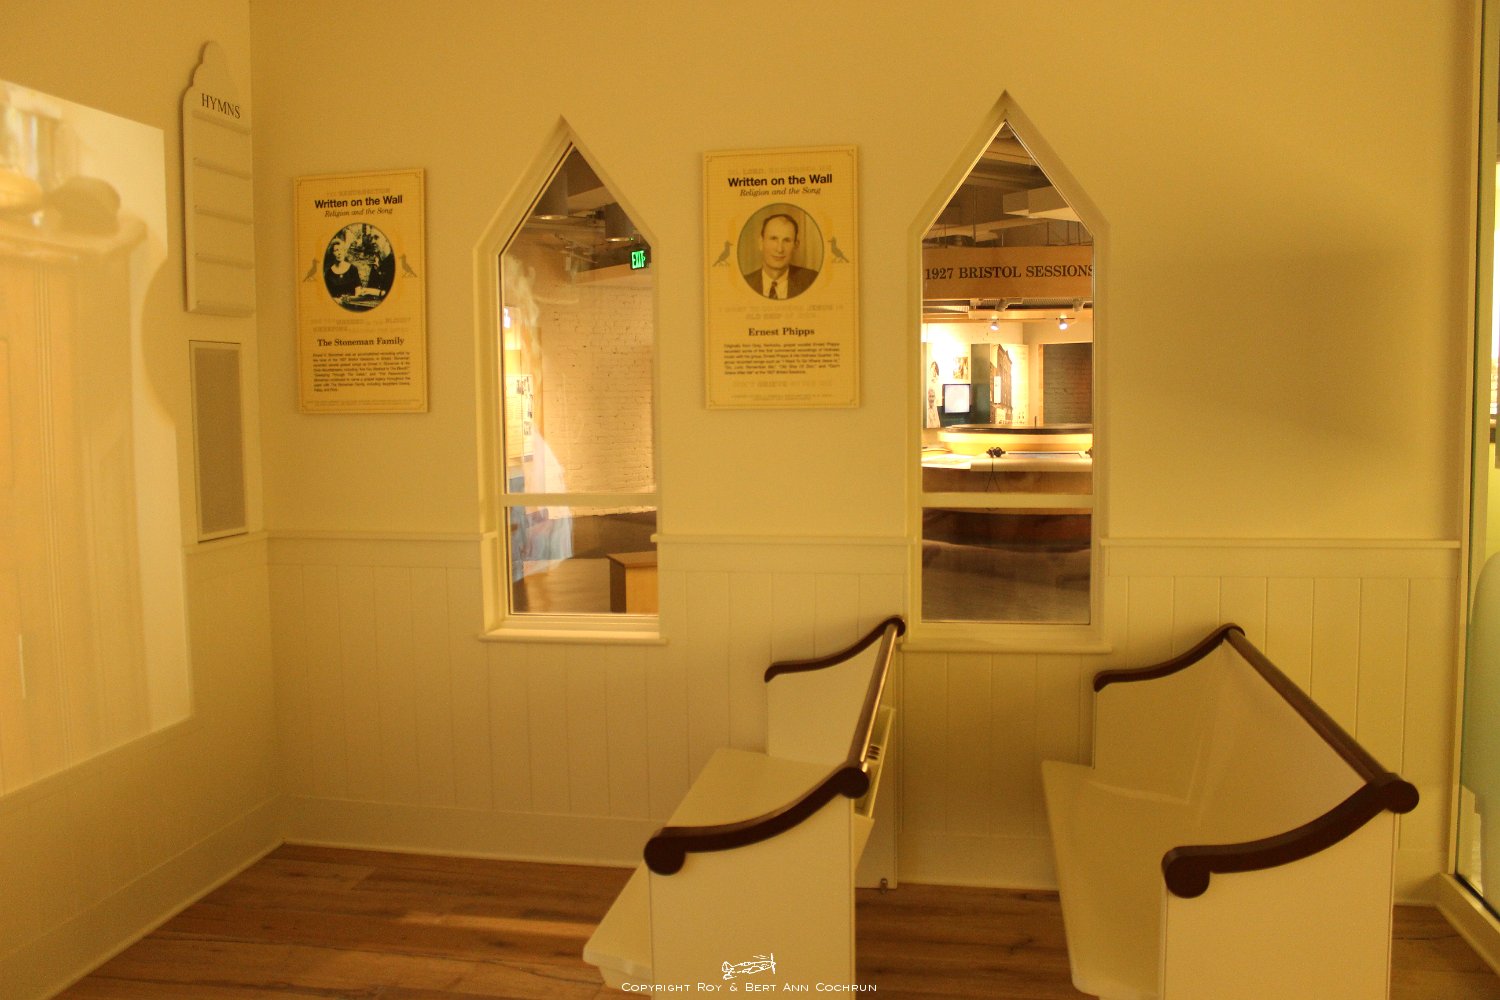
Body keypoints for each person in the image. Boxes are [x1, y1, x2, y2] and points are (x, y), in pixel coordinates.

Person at [743, 212, 818, 299]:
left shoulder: (812, 281)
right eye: (773, 239)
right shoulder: (744, 283)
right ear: (761, 243)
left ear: (795, 245)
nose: (779, 249)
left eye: (786, 240)